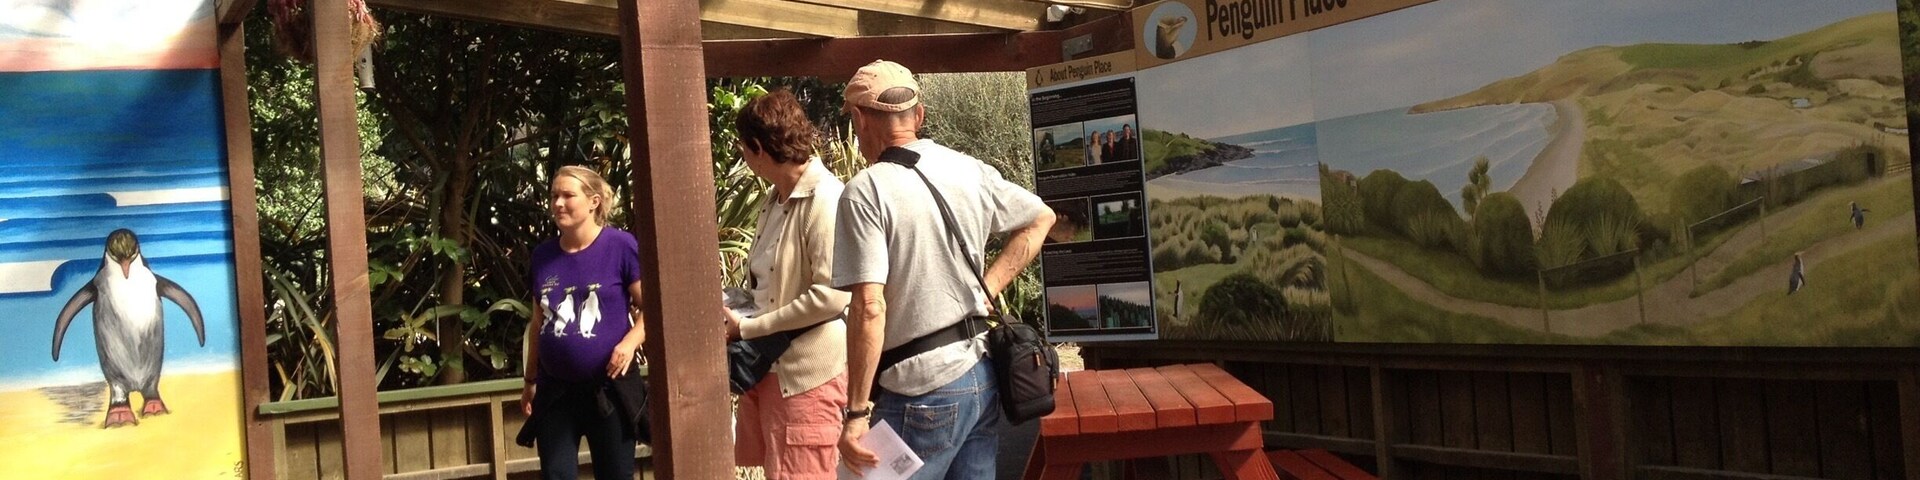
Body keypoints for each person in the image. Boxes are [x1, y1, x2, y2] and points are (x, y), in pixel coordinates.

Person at [832, 60, 1055, 480]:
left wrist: (857, 413)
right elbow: (1041, 218)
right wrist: (985, 288)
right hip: (981, 373)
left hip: (921, 388)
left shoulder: (866, 190)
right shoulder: (967, 169)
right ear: (919, 115)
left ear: (860, 120)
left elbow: (869, 307)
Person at [725, 89, 853, 480]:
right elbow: (769, 287)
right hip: (770, 370)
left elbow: (831, 296)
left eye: (744, 150)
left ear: (759, 147)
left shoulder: (825, 199)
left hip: (804, 376)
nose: (743, 159)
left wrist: (747, 327)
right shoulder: (774, 199)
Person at [522, 165, 647, 480]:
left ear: (593, 201)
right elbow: (538, 323)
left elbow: (654, 309)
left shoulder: (620, 246)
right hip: (555, 391)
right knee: (555, 474)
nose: (558, 203)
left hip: (609, 388)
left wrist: (629, 343)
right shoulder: (543, 256)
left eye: (567, 195)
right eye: (554, 196)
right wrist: (529, 381)